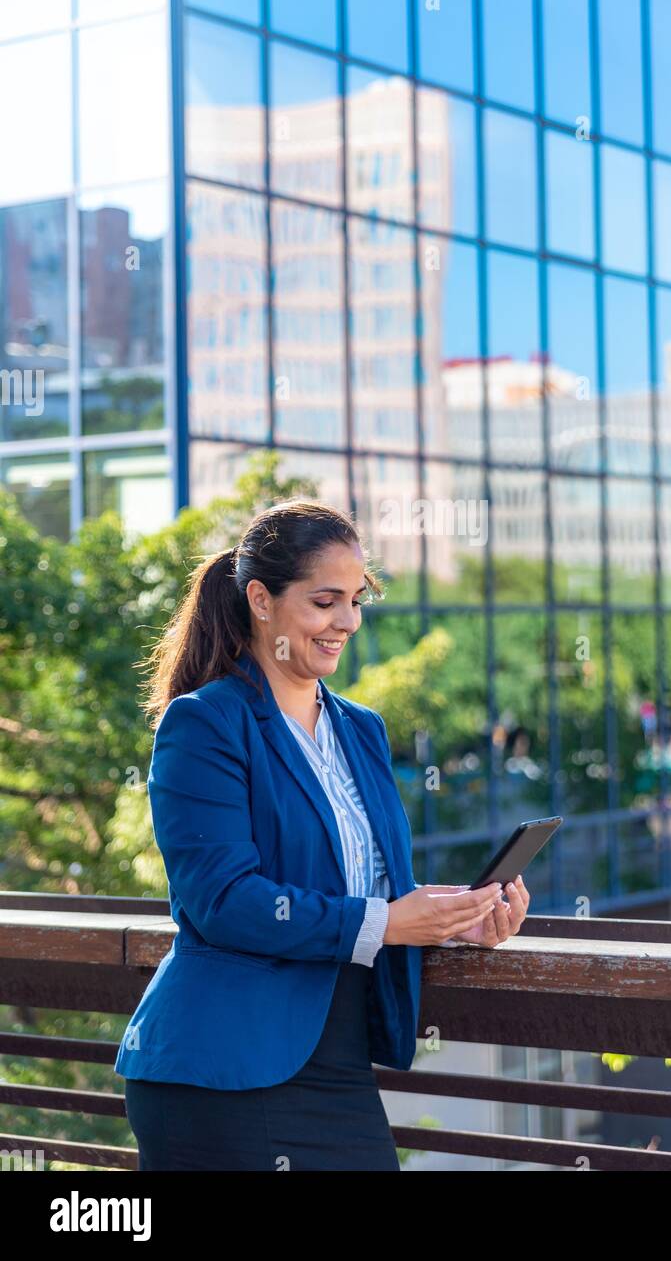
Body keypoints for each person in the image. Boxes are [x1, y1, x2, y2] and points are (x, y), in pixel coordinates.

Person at [115, 498, 530, 1170]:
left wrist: (451, 920)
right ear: (260, 599)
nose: (348, 622)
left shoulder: (360, 728)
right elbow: (223, 902)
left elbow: (363, 891)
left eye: (357, 599)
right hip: (221, 1069)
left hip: (335, 1056)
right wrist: (389, 923)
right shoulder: (205, 724)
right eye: (325, 601)